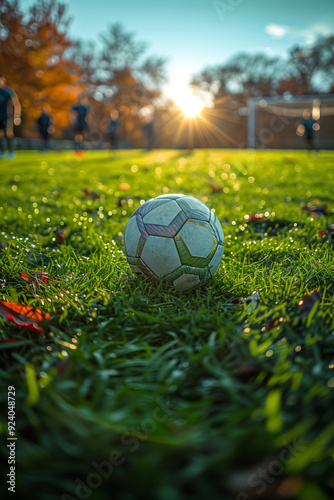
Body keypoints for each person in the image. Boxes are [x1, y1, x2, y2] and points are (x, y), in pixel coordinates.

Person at [0, 73, 21, 159]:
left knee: (8, 133)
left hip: (6, 116)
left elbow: (16, 104)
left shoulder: (8, 91)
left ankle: (11, 152)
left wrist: (17, 116)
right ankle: (1, 151)